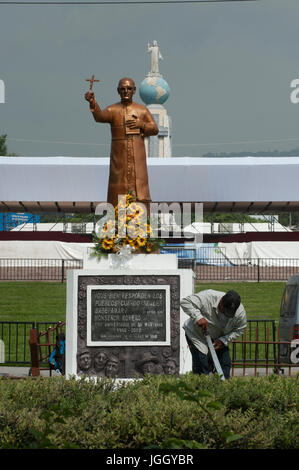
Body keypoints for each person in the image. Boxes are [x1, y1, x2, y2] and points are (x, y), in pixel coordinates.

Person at [85, 77, 159, 209]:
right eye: (123, 89)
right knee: (118, 186)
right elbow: (100, 116)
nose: (126, 91)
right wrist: (92, 102)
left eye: (129, 89)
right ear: (118, 91)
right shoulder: (113, 110)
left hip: (137, 155)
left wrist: (140, 124)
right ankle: (116, 219)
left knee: (139, 187)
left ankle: (140, 220)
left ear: (134, 90)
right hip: (119, 156)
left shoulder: (142, 110)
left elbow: (154, 129)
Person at [181, 289, 247, 379]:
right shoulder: (208, 296)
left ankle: (222, 390)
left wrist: (223, 340)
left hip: (218, 339)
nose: (225, 315)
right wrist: (198, 317)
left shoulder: (240, 313)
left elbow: (240, 329)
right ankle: (200, 390)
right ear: (220, 302)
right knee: (201, 366)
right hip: (197, 335)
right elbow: (185, 302)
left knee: (225, 365)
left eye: (229, 313)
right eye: (224, 311)